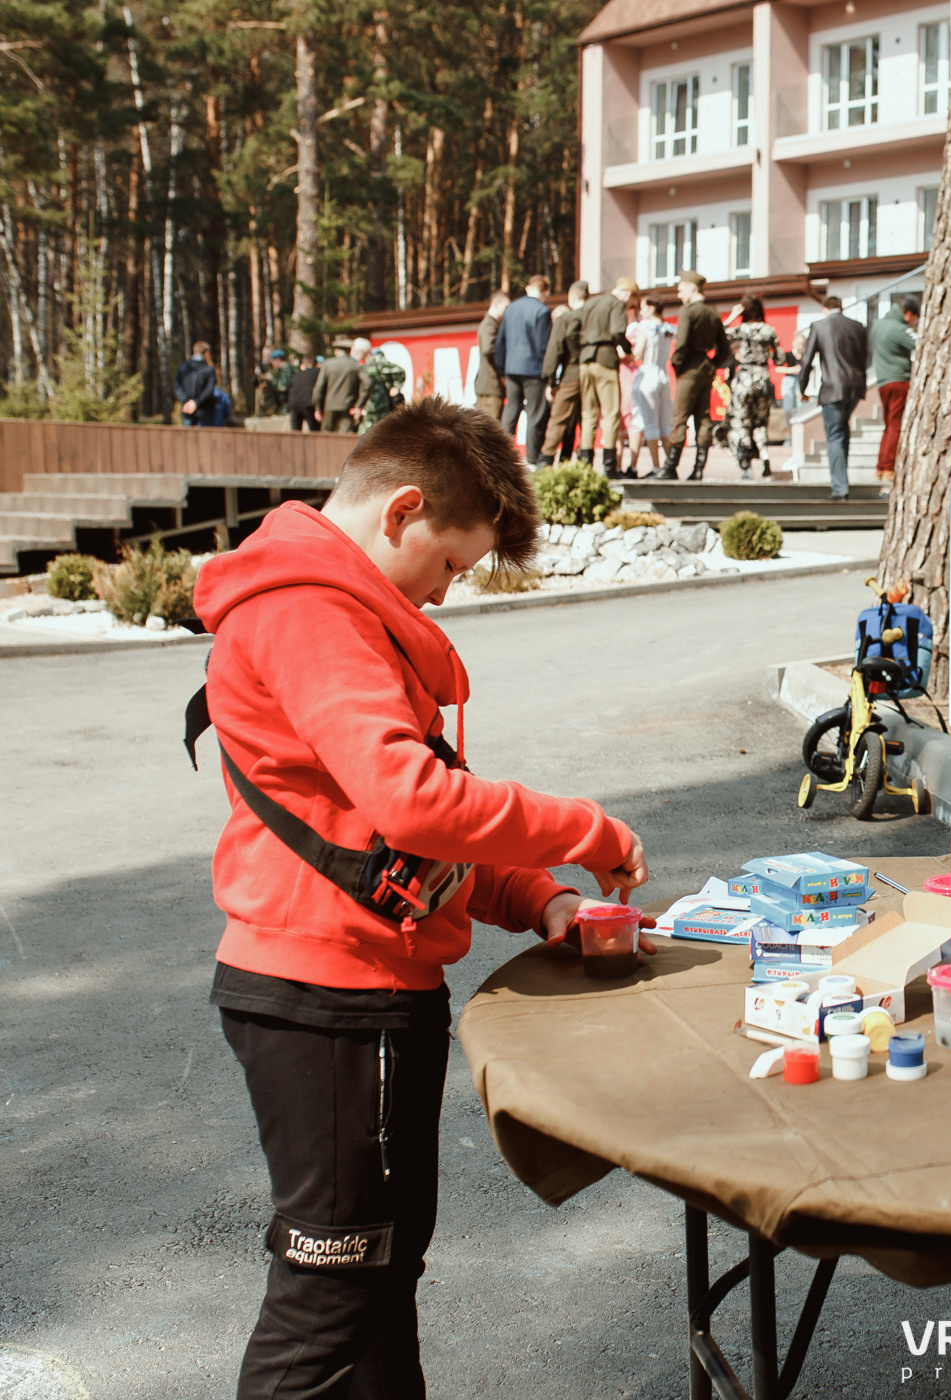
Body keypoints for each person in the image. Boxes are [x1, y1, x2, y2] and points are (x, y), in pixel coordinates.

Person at [191, 396, 650, 1397]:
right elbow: (412, 798)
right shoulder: (309, 609)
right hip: (331, 996)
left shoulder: (338, 607)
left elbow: (386, 836)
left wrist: (537, 898)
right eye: (448, 563)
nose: (444, 593)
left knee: (380, 1274)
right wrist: (585, 829)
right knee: (332, 1295)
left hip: (360, 990)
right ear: (400, 510)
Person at [796, 294, 870, 501]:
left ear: (825, 309)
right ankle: (841, 481)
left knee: (835, 435)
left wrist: (801, 387)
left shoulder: (819, 326)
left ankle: (840, 488)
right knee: (842, 432)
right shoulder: (858, 326)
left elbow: (806, 360)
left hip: (832, 388)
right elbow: (864, 357)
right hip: (855, 388)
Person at [724, 295, 797, 480]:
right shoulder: (768, 330)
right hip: (763, 380)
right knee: (760, 422)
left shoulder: (741, 329)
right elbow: (780, 359)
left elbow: (720, 334)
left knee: (743, 422)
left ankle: (746, 466)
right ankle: (764, 456)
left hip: (744, 379)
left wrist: (732, 316)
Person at [667, 270, 728, 481]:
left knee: (679, 416)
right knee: (703, 418)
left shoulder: (687, 312)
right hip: (706, 368)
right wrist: (713, 364)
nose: (679, 294)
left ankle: (670, 467)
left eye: (681, 289)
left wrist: (677, 364)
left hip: (689, 368)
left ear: (692, 288)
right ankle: (699, 469)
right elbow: (725, 349)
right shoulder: (713, 313)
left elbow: (682, 343)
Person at [576, 277, 635, 476]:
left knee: (588, 414)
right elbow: (618, 331)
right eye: (632, 302)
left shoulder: (590, 303)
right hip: (605, 359)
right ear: (628, 293)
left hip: (585, 360)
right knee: (610, 413)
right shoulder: (616, 304)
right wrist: (627, 349)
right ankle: (609, 467)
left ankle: (585, 466)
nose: (630, 306)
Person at [493, 276, 553, 466]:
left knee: (511, 411)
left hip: (511, 368)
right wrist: (549, 375)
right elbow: (544, 347)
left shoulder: (511, 309)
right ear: (545, 292)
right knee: (535, 414)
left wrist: (502, 369)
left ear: (528, 288)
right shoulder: (542, 311)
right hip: (534, 369)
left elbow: (500, 342)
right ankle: (532, 460)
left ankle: (500, 457)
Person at [869, 293, 920, 494]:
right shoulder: (900, 329)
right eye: (915, 318)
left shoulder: (877, 326)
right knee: (895, 425)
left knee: (888, 424)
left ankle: (881, 467)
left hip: (882, 382)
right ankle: (890, 468)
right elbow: (921, 344)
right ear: (908, 314)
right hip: (899, 380)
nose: (914, 322)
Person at [623, 296, 676, 479]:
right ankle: (670, 466)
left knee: (650, 424)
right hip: (663, 376)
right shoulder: (668, 328)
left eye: (644, 307)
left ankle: (656, 468)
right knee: (664, 425)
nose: (641, 311)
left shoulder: (645, 326)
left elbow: (638, 354)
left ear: (652, 308)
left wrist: (625, 352)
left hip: (647, 376)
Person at [540, 281, 589, 466]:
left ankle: (546, 461)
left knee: (558, 418)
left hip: (571, 374)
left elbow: (555, 351)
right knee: (588, 418)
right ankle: (585, 461)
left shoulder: (565, 318)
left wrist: (551, 381)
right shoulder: (593, 316)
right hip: (592, 374)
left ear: (571, 297)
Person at [475, 291, 510, 420]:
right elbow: (488, 350)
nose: (507, 312)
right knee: (490, 427)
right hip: (490, 387)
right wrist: (502, 372)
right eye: (505, 307)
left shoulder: (494, 325)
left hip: (492, 386)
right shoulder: (489, 325)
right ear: (495, 304)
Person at [316, 339, 364, 433]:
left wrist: (318, 408)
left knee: (326, 437)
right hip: (348, 407)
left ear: (336, 351)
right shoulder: (356, 366)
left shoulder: (327, 364)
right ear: (349, 351)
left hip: (329, 407)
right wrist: (359, 405)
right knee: (345, 437)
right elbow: (368, 384)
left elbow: (319, 388)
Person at [177, 341, 229, 427]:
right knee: (205, 435)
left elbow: (177, 388)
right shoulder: (209, 370)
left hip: (187, 408)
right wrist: (196, 403)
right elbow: (209, 390)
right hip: (205, 411)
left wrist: (186, 401)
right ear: (207, 353)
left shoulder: (183, 369)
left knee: (186, 435)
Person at [360, 346, 407, 434]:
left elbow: (399, 370)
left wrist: (396, 387)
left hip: (380, 401)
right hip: (375, 402)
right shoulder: (368, 364)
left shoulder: (377, 360)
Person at [286, 351, 320, 433]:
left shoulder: (296, 375)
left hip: (294, 405)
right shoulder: (317, 372)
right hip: (309, 404)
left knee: (296, 433)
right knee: (315, 432)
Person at [253, 349, 291, 416]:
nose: (266, 357)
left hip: (276, 401)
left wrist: (271, 379)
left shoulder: (278, 368)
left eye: (268, 355)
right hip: (265, 400)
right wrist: (259, 379)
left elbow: (282, 386)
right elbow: (254, 383)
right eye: (264, 355)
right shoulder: (261, 367)